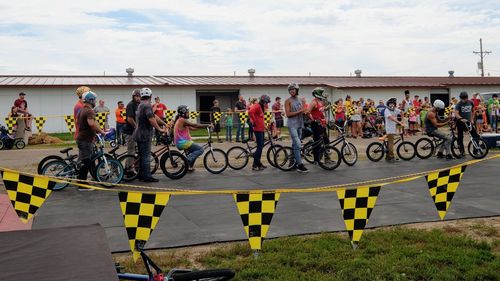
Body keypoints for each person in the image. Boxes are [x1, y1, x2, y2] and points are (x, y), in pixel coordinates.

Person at [132, 88, 168, 182]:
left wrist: (164, 123)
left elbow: (154, 116)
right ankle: (147, 177)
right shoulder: (147, 105)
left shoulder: (141, 105)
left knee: (141, 155)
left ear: (141, 96)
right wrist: (159, 129)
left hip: (138, 133)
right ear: (150, 96)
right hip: (144, 135)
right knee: (146, 156)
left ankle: (140, 175)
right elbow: (151, 119)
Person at [76, 91, 105, 190]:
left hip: (83, 138)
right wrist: (101, 131)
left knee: (83, 160)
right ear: (91, 100)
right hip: (85, 140)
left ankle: (79, 180)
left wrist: (98, 130)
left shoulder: (82, 110)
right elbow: (91, 123)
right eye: (95, 100)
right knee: (86, 161)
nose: (96, 102)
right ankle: (82, 185)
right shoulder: (89, 111)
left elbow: (92, 123)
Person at [174, 105, 212, 171]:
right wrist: (207, 125)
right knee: (200, 149)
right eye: (187, 112)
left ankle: (189, 167)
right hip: (183, 143)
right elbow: (195, 125)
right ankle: (186, 161)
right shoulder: (182, 120)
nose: (188, 113)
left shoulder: (181, 120)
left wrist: (203, 128)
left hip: (183, 142)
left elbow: (193, 128)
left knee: (194, 152)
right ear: (183, 113)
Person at [284, 82, 308, 173]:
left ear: (297, 90)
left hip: (299, 124)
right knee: (298, 145)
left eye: (293, 89)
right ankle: (299, 165)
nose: (291, 91)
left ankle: (291, 163)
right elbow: (288, 114)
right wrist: (300, 111)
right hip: (292, 125)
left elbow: (304, 111)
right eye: (290, 90)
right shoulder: (287, 101)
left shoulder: (301, 100)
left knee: (294, 145)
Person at [306, 87, 330, 164]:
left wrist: (327, 108)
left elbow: (321, 110)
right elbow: (307, 112)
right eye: (321, 93)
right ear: (318, 94)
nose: (323, 94)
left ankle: (326, 157)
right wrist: (312, 119)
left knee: (326, 141)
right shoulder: (314, 102)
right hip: (315, 124)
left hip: (321, 124)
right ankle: (316, 159)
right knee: (317, 142)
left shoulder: (321, 102)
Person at [248, 95, 271, 171]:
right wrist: (254, 121)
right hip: (257, 129)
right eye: (266, 102)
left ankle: (258, 163)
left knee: (260, 147)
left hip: (261, 129)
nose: (267, 104)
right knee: (259, 147)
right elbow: (250, 112)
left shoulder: (261, 107)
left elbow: (260, 118)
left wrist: (264, 126)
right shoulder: (257, 106)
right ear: (263, 101)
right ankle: (254, 165)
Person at [122, 89, 141, 175]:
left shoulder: (139, 105)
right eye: (136, 96)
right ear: (133, 97)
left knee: (135, 151)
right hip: (129, 131)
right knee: (131, 151)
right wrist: (137, 127)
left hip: (135, 131)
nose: (138, 98)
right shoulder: (131, 105)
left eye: (139, 96)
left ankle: (131, 167)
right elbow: (130, 119)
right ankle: (128, 170)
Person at [454, 91, 474, 158]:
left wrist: (472, 119)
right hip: (460, 122)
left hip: (468, 122)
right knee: (460, 138)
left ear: (467, 98)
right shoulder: (458, 104)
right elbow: (456, 113)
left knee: (474, 135)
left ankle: (476, 150)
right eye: (461, 98)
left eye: (464, 98)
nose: (463, 100)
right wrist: (461, 118)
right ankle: (462, 152)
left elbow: (473, 111)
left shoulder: (471, 102)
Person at [384, 98, 405, 163]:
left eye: (393, 104)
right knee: (391, 142)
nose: (392, 105)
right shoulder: (387, 110)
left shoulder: (395, 109)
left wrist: (402, 120)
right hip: (389, 129)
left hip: (393, 129)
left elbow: (402, 112)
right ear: (388, 104)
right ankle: (391, 156)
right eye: (391, 104)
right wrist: (399, 122)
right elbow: (391, 118)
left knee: (390, 142)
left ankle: (387, 156)